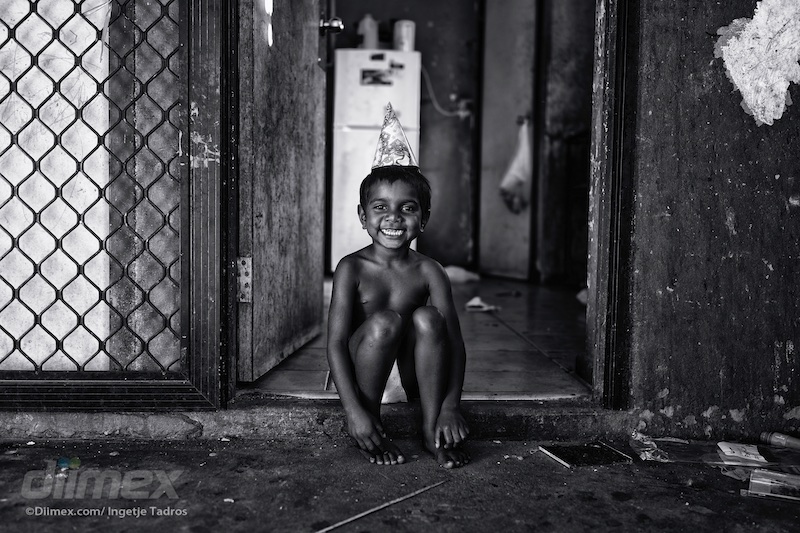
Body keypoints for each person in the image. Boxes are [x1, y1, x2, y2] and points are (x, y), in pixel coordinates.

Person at [327, 104, 470, 469]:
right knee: (385, 321)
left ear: (423, 219)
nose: (393, 217)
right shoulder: (351, 267)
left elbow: (453, 342)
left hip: (418, 378)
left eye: (407, 208)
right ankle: (370, 426)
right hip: (363, 382)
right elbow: (337, 344)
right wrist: (353, 411)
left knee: (427, 318)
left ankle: (430, 429)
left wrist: (451, 406)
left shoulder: (430, 271)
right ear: (363, 216)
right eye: (380, 207)